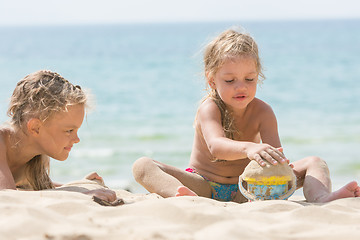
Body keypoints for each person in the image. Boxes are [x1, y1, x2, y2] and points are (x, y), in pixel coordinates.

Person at [132, 28, 360, 203]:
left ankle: (321, 198)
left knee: (315, 162)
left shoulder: (263, 112)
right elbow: (216, 146)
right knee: (142, 165)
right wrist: (249, 148)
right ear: (212, 80)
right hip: (204, 185)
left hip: (248, 188)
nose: (241, 87)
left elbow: (275, 155)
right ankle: (182, 197)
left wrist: (279, 165)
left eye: (249, 79)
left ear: (258, 76)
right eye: (230, 81)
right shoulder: (209, 107)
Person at [0, 70, 116, 202]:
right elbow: (7, 196)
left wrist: (79, 185)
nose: (77, 139)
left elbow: (37, 189)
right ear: (35, 128)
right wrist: (78, 195)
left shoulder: (34, 157)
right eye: (69, 130)